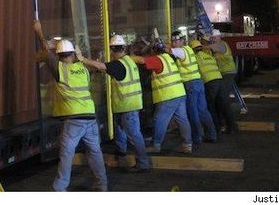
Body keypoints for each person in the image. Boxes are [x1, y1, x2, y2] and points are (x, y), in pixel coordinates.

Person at [33, 21, 107, 192]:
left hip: (74, 119)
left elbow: (45, 51)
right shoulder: (83, 69)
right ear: (73, 54)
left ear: (59, 56)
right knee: (95, 152)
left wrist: (39, 31)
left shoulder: (60, 69)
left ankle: (60, 188)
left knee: (66, 155)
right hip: (90, 116)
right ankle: (102, 185)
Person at [75, 34, 151, 173]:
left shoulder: (118, 65)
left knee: (134, 135)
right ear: (123, 48)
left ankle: (143, 163)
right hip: (128, 105)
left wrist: (82, 59)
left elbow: (101, 66)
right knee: (122, 133)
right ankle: (120, 156)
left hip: (127, 106)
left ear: (111, 49)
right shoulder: (129, 61)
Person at [130, 33, 192, 154]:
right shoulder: (168, 57)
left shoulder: (157, 60)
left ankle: (156, 144)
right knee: (182, 120)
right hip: (179, 93)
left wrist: (127, 58)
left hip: (168, 96)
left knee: (159, 120)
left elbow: (141, 60)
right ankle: (187, 144)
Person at [169, 31, 217, 146]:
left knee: (192, 112)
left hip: (190, 84)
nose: (174, 43)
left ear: (181, 41)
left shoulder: (181, 51)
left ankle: (196, 138)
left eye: (176, 41)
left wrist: (160, 45)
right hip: (198, 83)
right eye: (173, 41)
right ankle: (211, 134)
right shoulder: (189, 50)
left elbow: (169, 51)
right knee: (203, 111)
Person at [190, 39, 238, 134]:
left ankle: (216, 129)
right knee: (222, 104)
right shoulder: (209, 56)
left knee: (211, 107)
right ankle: (231, 127)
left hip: (210, 82)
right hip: (219, 79)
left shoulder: (195, 58)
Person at [205, 29, 248, 114]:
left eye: (215, 37)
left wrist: (199, 46)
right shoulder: (218, 46)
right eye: (212, 38)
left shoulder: (221, 45)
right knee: (233, 89)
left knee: (227, 92)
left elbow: (208, 47)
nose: (213, 39)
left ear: (219, 37)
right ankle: (241, 107)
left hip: (228, 72)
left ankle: (237, 108)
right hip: (224, 72)